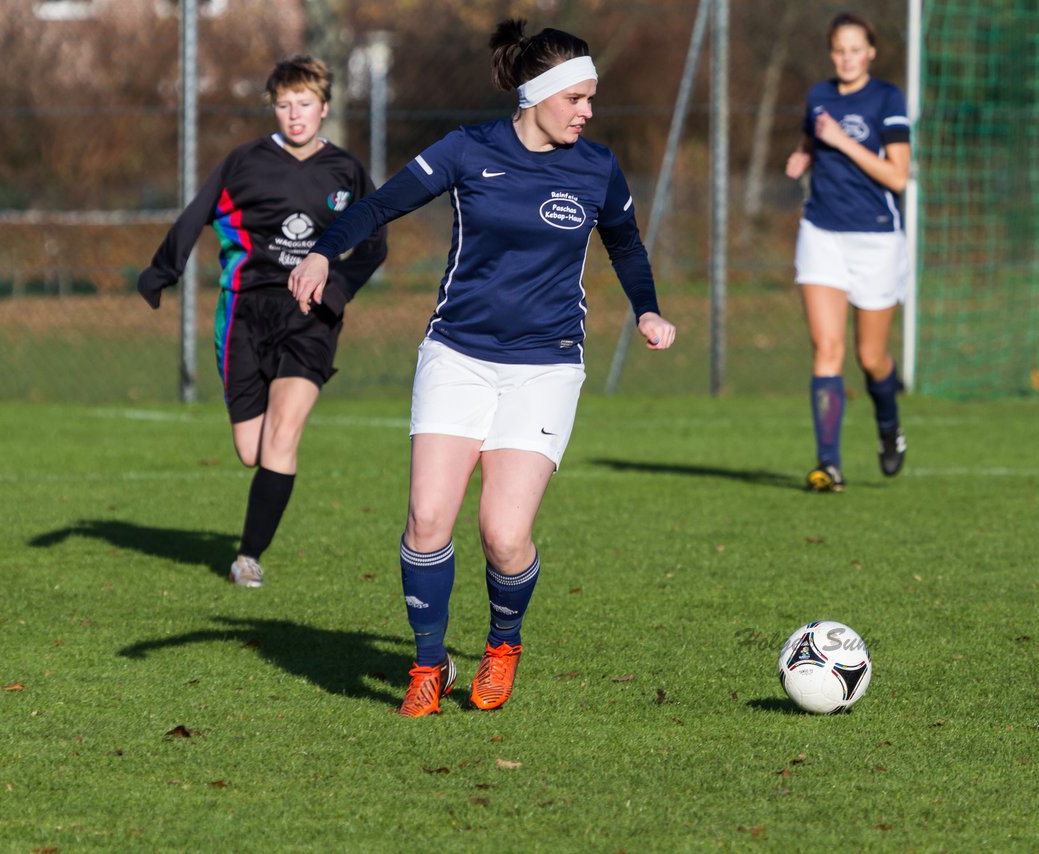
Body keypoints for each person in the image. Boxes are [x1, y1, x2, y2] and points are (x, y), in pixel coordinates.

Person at [289, 19, 676, 717]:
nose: (588, 111)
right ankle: (429, 666)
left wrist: (647, 309)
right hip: (457, 355)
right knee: (428, 517)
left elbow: (625, 243)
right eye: (577, 99)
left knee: (503, 533)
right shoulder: (468, 151)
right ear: (538, 96)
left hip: (546, 366)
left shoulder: (596, 167)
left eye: (592, 99)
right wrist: (322, 252)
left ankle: (502, 646)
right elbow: (381, 205)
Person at [137, 56, 387, 586]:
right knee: (251, 451)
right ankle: (255, 522)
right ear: (273, 108)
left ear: (324, 108)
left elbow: (374, 241)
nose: (295, 115)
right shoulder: (244, 162)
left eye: (305, 105)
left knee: (282, 435)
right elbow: (197, 212)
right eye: (283, 105)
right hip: (244, 313)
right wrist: (163, 270)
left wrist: (337, 289)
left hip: (310, 313)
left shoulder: (346, 171)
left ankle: (248, 556)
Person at [785, 12, 910, 493]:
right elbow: (811, 138)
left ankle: (889, 427)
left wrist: (841, 141)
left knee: (871, 356)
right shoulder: (818, 95)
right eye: (839, 49)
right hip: (821, 232)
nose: (847, 58)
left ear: (871, 52)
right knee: (828, 349)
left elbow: (898, 177)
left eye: (855, 49)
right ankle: (828, 466)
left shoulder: (887, 98)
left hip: (877, 238)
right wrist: (806, 155)